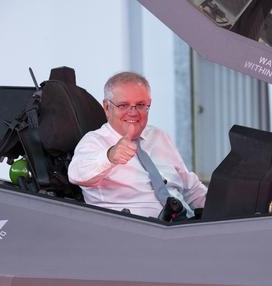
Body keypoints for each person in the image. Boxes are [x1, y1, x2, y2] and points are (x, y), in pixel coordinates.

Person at [68, 72, 207, 218]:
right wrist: (110, 156)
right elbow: (76, 174)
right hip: (134, 234)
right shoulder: (95, 140)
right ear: (107, 107)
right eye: (123, 105)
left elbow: (190, 188)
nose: (133, 113)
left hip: (184, 225)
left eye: (140, 105)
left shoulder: (159, 136)